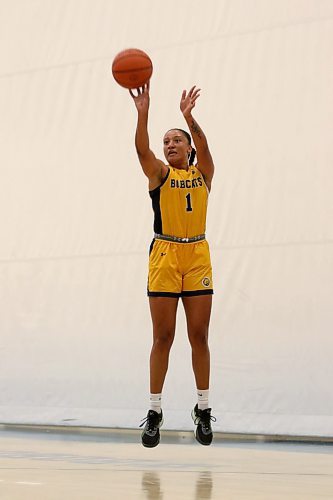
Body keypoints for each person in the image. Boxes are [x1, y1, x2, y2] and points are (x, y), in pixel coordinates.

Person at [130, 83, 216, 447]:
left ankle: (203, 409)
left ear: (189, 147)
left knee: (198, 336)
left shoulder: (203, 174)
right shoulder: (159, 174)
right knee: (163, 337)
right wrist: (143, 112)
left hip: (197, 255)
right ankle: (154, 411)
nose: (169, 145)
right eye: (166, 142)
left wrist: (189, 118)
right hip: (165, 256)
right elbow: (140, 149)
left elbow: (208, 149)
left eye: (175, 140)